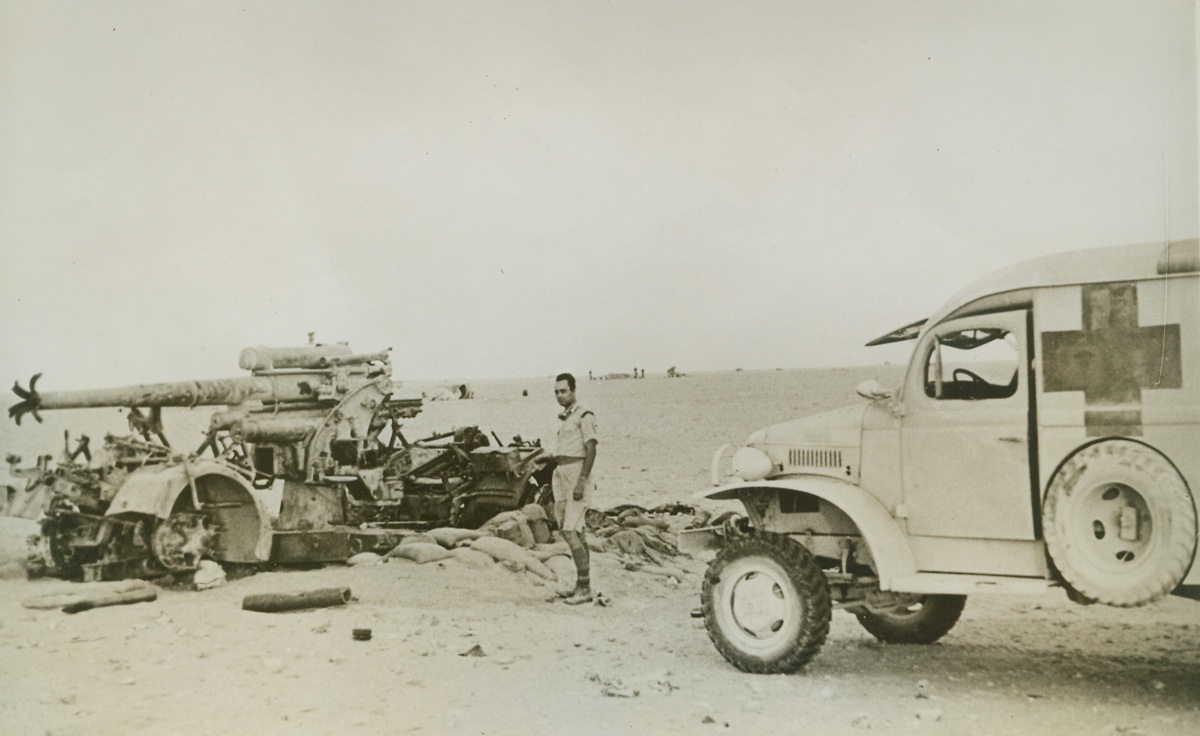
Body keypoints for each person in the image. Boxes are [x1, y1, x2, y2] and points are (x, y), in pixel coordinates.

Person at [545, 372, 597, 604]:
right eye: (556, 391)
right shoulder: (566, 418)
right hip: (561, 474)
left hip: (576, 473)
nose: (559, 395)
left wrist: (582, 480)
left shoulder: (584, 415)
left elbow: (591, 449)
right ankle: (581, 584)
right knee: (576, 530)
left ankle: (585, 589)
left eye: (563, 391)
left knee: (570, 531)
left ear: (573, 391)